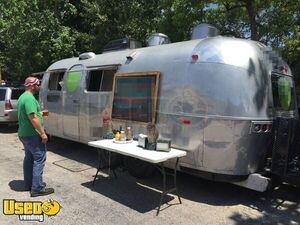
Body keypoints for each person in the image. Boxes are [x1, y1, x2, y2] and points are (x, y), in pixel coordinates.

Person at [17, 76, 54, 197]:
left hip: (24, 134)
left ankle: (29, 184)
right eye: (38, 85)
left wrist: (41, 113)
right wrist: (43, 133)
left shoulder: (23, 97)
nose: (39, 87)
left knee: (29, 158)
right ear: (32, 86)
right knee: (39, 159)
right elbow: (32, 118)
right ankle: (37, 189)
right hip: (32, 134)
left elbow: (32, 114)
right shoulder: (29, 98)